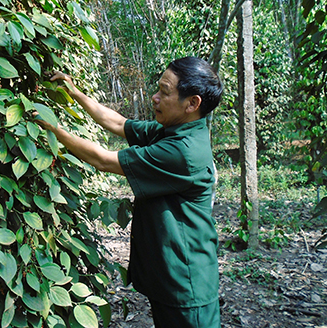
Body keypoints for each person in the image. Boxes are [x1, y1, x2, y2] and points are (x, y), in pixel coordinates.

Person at [36, 56, 223, 328]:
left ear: (192, 103)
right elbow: (117, 124)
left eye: (165, 92)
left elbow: (103, 160)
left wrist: (52, 127)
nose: (155, 97)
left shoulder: (182, 151)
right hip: (171, 276)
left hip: (187, 284)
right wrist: (75, 93)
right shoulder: (173, 131)